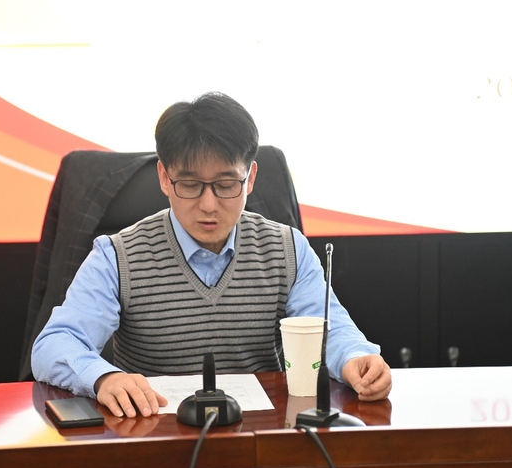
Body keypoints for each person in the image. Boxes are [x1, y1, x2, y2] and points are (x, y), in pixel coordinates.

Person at [32, 92, 391, 418]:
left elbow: (327, 329)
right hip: (157, 437)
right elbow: (54, 344)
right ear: (164, 177)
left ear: (250, 178)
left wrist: (356, 360)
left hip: (262, 438)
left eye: (226, 185)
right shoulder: (117, 256)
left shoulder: (287, 248)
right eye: (189, 185)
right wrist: (103, 377)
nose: (208, 205)